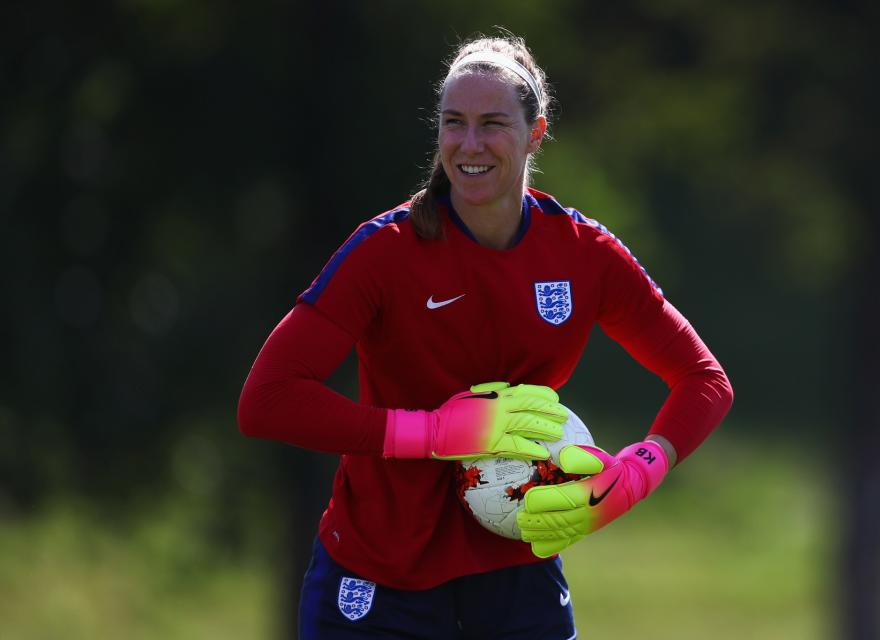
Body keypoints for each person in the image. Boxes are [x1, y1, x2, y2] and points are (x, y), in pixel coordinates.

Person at [237, 33, 733, 639]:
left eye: (492, 123)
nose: (469, 145)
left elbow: (704, 381)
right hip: (378, 579)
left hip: (518, 577)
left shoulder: (584, 254)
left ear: (536, 132)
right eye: (454, 123)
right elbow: (267, 401)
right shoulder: (384, 251)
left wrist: (636, 474)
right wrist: (432, 433)